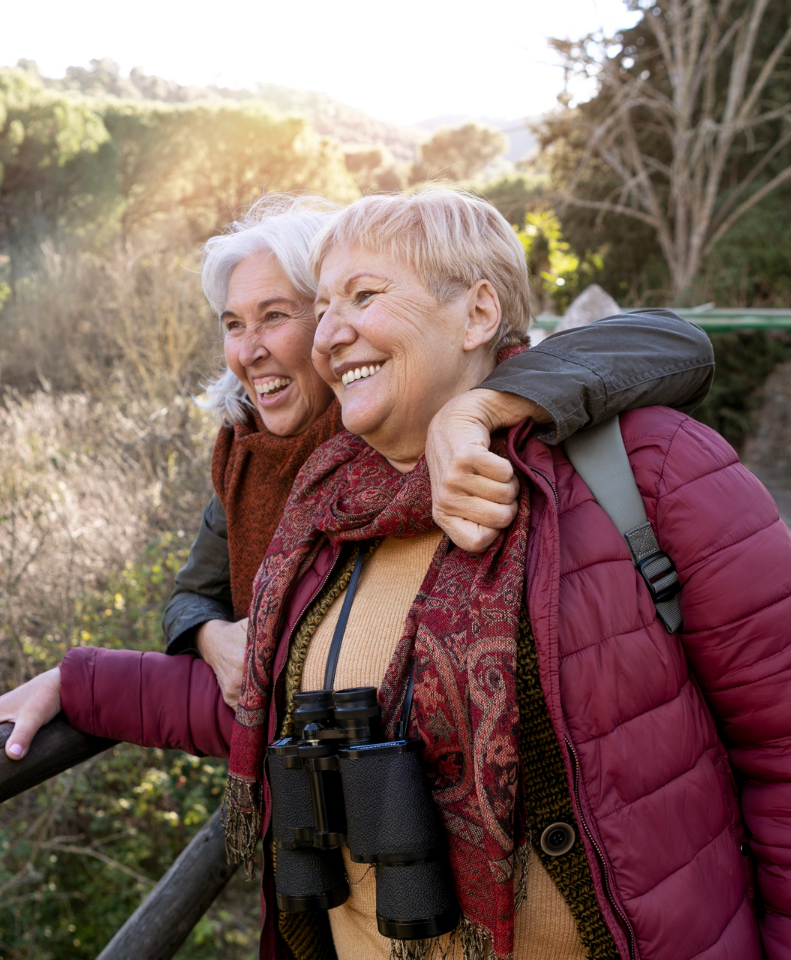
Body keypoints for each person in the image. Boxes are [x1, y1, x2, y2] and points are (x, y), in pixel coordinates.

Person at [0, 189, 791, 958]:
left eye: (362, 298)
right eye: (323, 306)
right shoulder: (329, 512)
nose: (329, 333)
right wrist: (76, 682)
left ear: (479, 311)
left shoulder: (648, 469)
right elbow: (273, 706)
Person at [154, 196, 715, 706]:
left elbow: (672, 342)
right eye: (233, 324)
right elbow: (193, 597)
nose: (250, 349)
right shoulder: (252, 455)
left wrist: (478, 408)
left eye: (276, 316)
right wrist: (214, 640)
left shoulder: (405, 421)